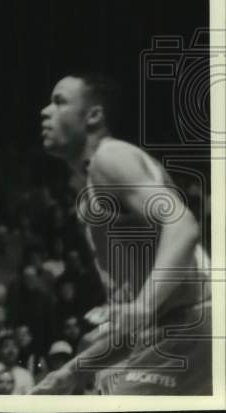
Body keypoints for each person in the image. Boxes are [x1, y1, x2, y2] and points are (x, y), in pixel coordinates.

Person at [33, 74, 212, 395]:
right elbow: (136, 322)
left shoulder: (110, 157)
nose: (45, 111)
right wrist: (71, 372)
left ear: (94, 116)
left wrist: (143, 306)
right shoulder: (93, 195)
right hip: (178, 331)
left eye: (59, 102)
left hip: (194, 326)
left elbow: (183, 223)